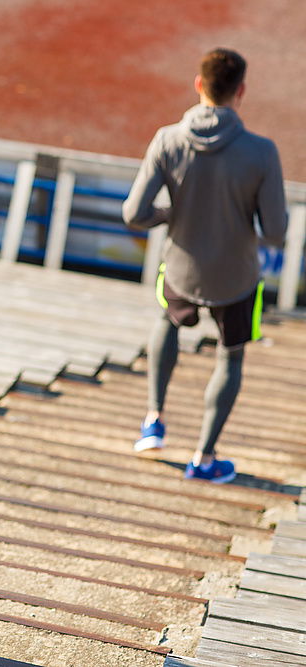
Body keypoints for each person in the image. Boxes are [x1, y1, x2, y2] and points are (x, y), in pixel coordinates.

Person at [122, 47, 287, 484]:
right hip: (235, 277)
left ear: (199, 85)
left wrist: (169, 216)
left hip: (180, 266)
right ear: (241, 92)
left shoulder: (167, 139)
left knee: (167, 322)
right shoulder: (261, 151)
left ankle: (153, 421)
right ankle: (205, 458)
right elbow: (275, 231)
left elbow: (134, 213)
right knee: (230, 358)